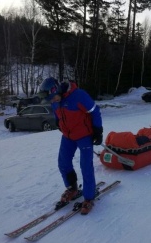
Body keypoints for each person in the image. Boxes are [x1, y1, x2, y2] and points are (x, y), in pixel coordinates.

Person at [38, 77, 103, 215]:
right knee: (63, 162)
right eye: (50, 100)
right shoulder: (55, 99)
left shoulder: (79, 95)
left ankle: (89, 197)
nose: (52, 101)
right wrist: (58, 123)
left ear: (57, 90)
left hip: (84, 136)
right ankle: (72, 188)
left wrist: (98, 130)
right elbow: (57, 113)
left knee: (85, 166)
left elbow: (94, 110)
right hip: (68, 136)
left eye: (53, 98)